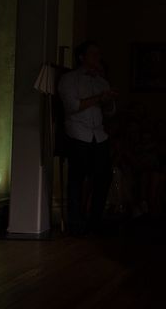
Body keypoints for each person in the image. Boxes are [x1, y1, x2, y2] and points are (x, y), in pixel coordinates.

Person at [57, 40, 117, 235]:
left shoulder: (101, 81)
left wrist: (107, 102)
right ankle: (75, 223)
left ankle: (95, 219)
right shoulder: (69, 79)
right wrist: (99, 98)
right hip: (78, 134)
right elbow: (72, 106)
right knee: (77, 178)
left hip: (98, 135)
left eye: (98, 54)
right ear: (82, 57)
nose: (97, 57)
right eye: (93, 53)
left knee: (103, 177)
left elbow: (110, 112)